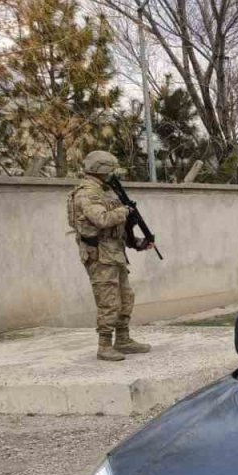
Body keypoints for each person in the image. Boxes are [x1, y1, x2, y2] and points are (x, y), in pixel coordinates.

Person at [67, 150, 154, 361]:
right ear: (101, 170)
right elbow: (103, 220)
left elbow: (118, 227)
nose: (113, 174)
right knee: (108, 301)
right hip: (99, 254)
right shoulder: (87, 193)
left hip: (115, 252)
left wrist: (136, 242)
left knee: (126, 297)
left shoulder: (106, 191)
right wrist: (125, 211)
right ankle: (104, 345)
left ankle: (123, 340)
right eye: (110, 170)